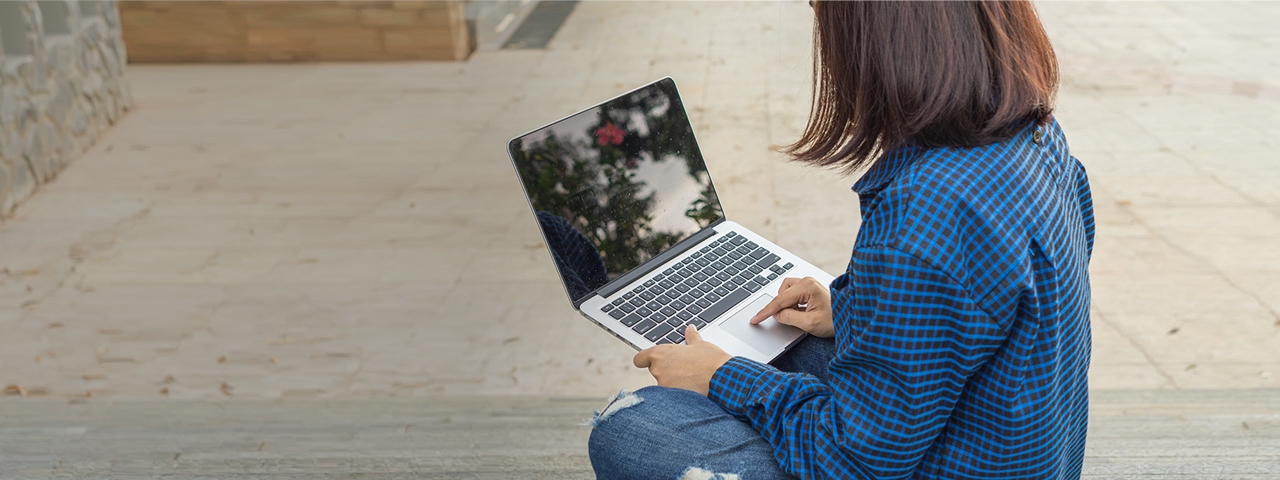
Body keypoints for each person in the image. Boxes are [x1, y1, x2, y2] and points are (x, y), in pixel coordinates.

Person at [588, 1, 1093, 479]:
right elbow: (985, 312)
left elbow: (853, 464)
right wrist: (852, 311)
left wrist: (721, 376)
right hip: (1015, 448)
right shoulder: (1036, 136)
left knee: (631, 428)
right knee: (777, 339)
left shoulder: (925, 209)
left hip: (927, 462)